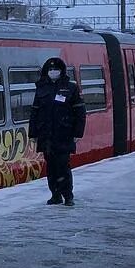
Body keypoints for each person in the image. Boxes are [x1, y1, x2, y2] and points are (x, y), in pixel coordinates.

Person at [28, 56, 87, 206]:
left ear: (61, 71)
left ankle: (68, 195)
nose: (53, 72)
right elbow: (34, 112)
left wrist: (77, 133)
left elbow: (80, 112)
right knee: (51, 166)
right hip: (46, 136)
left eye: (56, 69)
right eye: (50, 70)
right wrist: (33, 134)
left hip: (64, 135)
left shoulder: (71, 88)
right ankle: (55, 194)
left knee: (63, 165)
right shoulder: (41, 88)